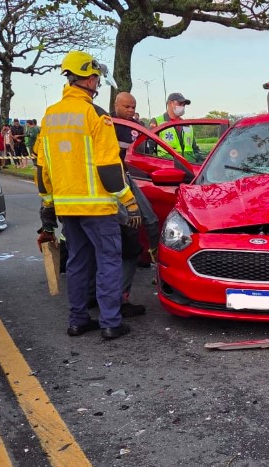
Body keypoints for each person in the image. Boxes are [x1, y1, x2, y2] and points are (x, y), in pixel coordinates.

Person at [34, 50, 141, 339]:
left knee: (78, 262)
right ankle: (110, 322)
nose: (97, 84)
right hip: (97, 208)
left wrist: (47, 206)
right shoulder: (96, 116)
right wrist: (129, 202)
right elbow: (108, 167)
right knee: (108, 261)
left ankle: (78, 320)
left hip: (67, 208)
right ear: (90, 79)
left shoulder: (50, 115)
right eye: (96, 79)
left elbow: (42, 168)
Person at [112, 91, 160, 316]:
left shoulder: (136, 127)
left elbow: (148, 155)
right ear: (116, 105)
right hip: (115, 185)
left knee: (150, 220)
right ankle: (120, 298)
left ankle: (155, 258)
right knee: (129, 237)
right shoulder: (109, 125)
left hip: (129, 179)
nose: (131, 111)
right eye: (126, 107)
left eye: (133, 107)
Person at [149, 92, 201, 162]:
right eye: (180, 104)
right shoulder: (157, 121)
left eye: (184, 105)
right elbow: (149, 148)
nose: (182, 106)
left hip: (189, 165)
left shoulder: (187, 124)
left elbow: (194, 148)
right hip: (168, 166)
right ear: (170, 103)